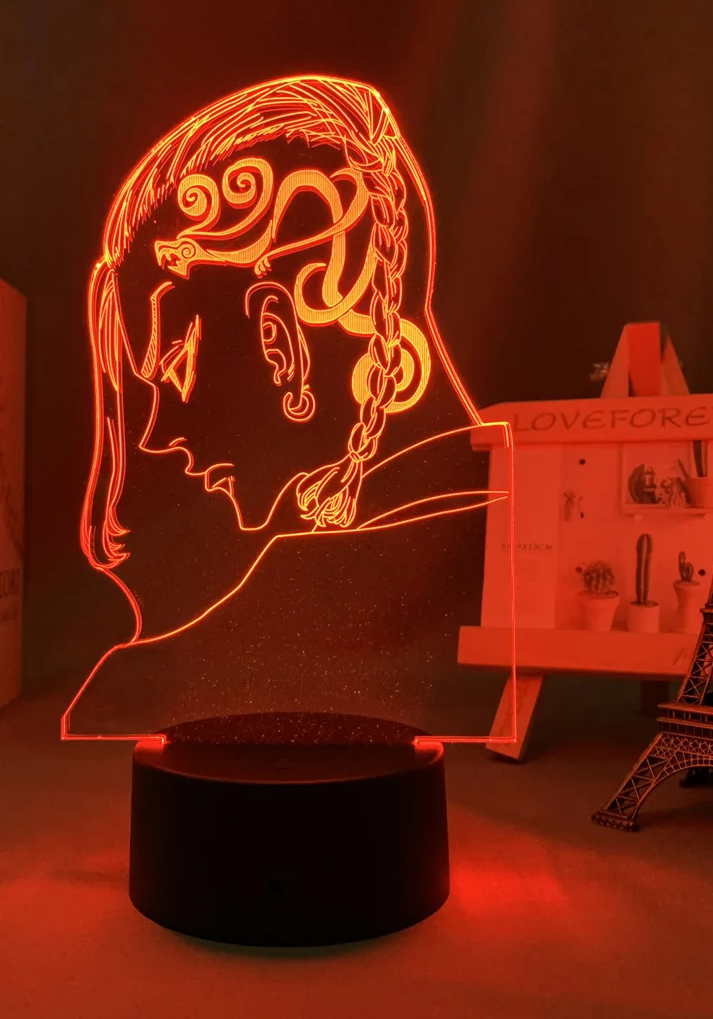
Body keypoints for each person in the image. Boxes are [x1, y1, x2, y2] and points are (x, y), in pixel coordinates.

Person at [66, 76, 511, 736]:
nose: (158, 433)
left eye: (179, 364)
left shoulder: (198, 656)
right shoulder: (510, 544)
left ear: (279, 346)